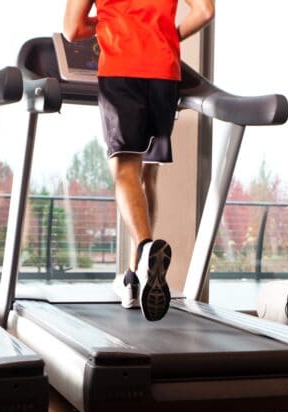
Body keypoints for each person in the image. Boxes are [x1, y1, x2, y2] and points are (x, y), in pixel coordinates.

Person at [63, 0, 214, 321]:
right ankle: (134, 279)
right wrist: (166, 35)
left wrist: (106, 21)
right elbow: (205, 11)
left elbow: (73, 30)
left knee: (124, 171)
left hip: (121, 70)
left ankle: (145, 248)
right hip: (164, 72)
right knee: (149, 176)